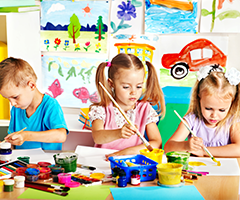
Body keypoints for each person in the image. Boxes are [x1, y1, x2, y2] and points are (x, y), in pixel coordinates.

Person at [89, 53, 165, 159]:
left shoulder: (145, 109)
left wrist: (127, 152)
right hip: (104, 161)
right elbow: (97, 137)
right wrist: (119, 133)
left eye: (139, 86)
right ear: (111, 84)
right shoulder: (101, 109)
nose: (133, 92)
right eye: (126, 87)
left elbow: (156, 143)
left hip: (133, 161)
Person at [164, 66, 240, 157]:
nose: (214, 115)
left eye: (222, 110)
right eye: (208, 108)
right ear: (199, 98)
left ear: (232, 103)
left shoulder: (232, 121)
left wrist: (205, 151)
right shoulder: (191, 120)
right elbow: (168, 148)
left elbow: (238, 149)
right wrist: (185, 145)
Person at [0, 57, 68, 150]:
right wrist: (5, 145)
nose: (12, 103)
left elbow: (61, 136)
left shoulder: (50, 105)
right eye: (7, 98)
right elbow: (12, 144)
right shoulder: (16, 109)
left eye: (15, 97)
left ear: (31, 85)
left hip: (47, 163)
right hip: (22, 163)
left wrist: (26, 136)